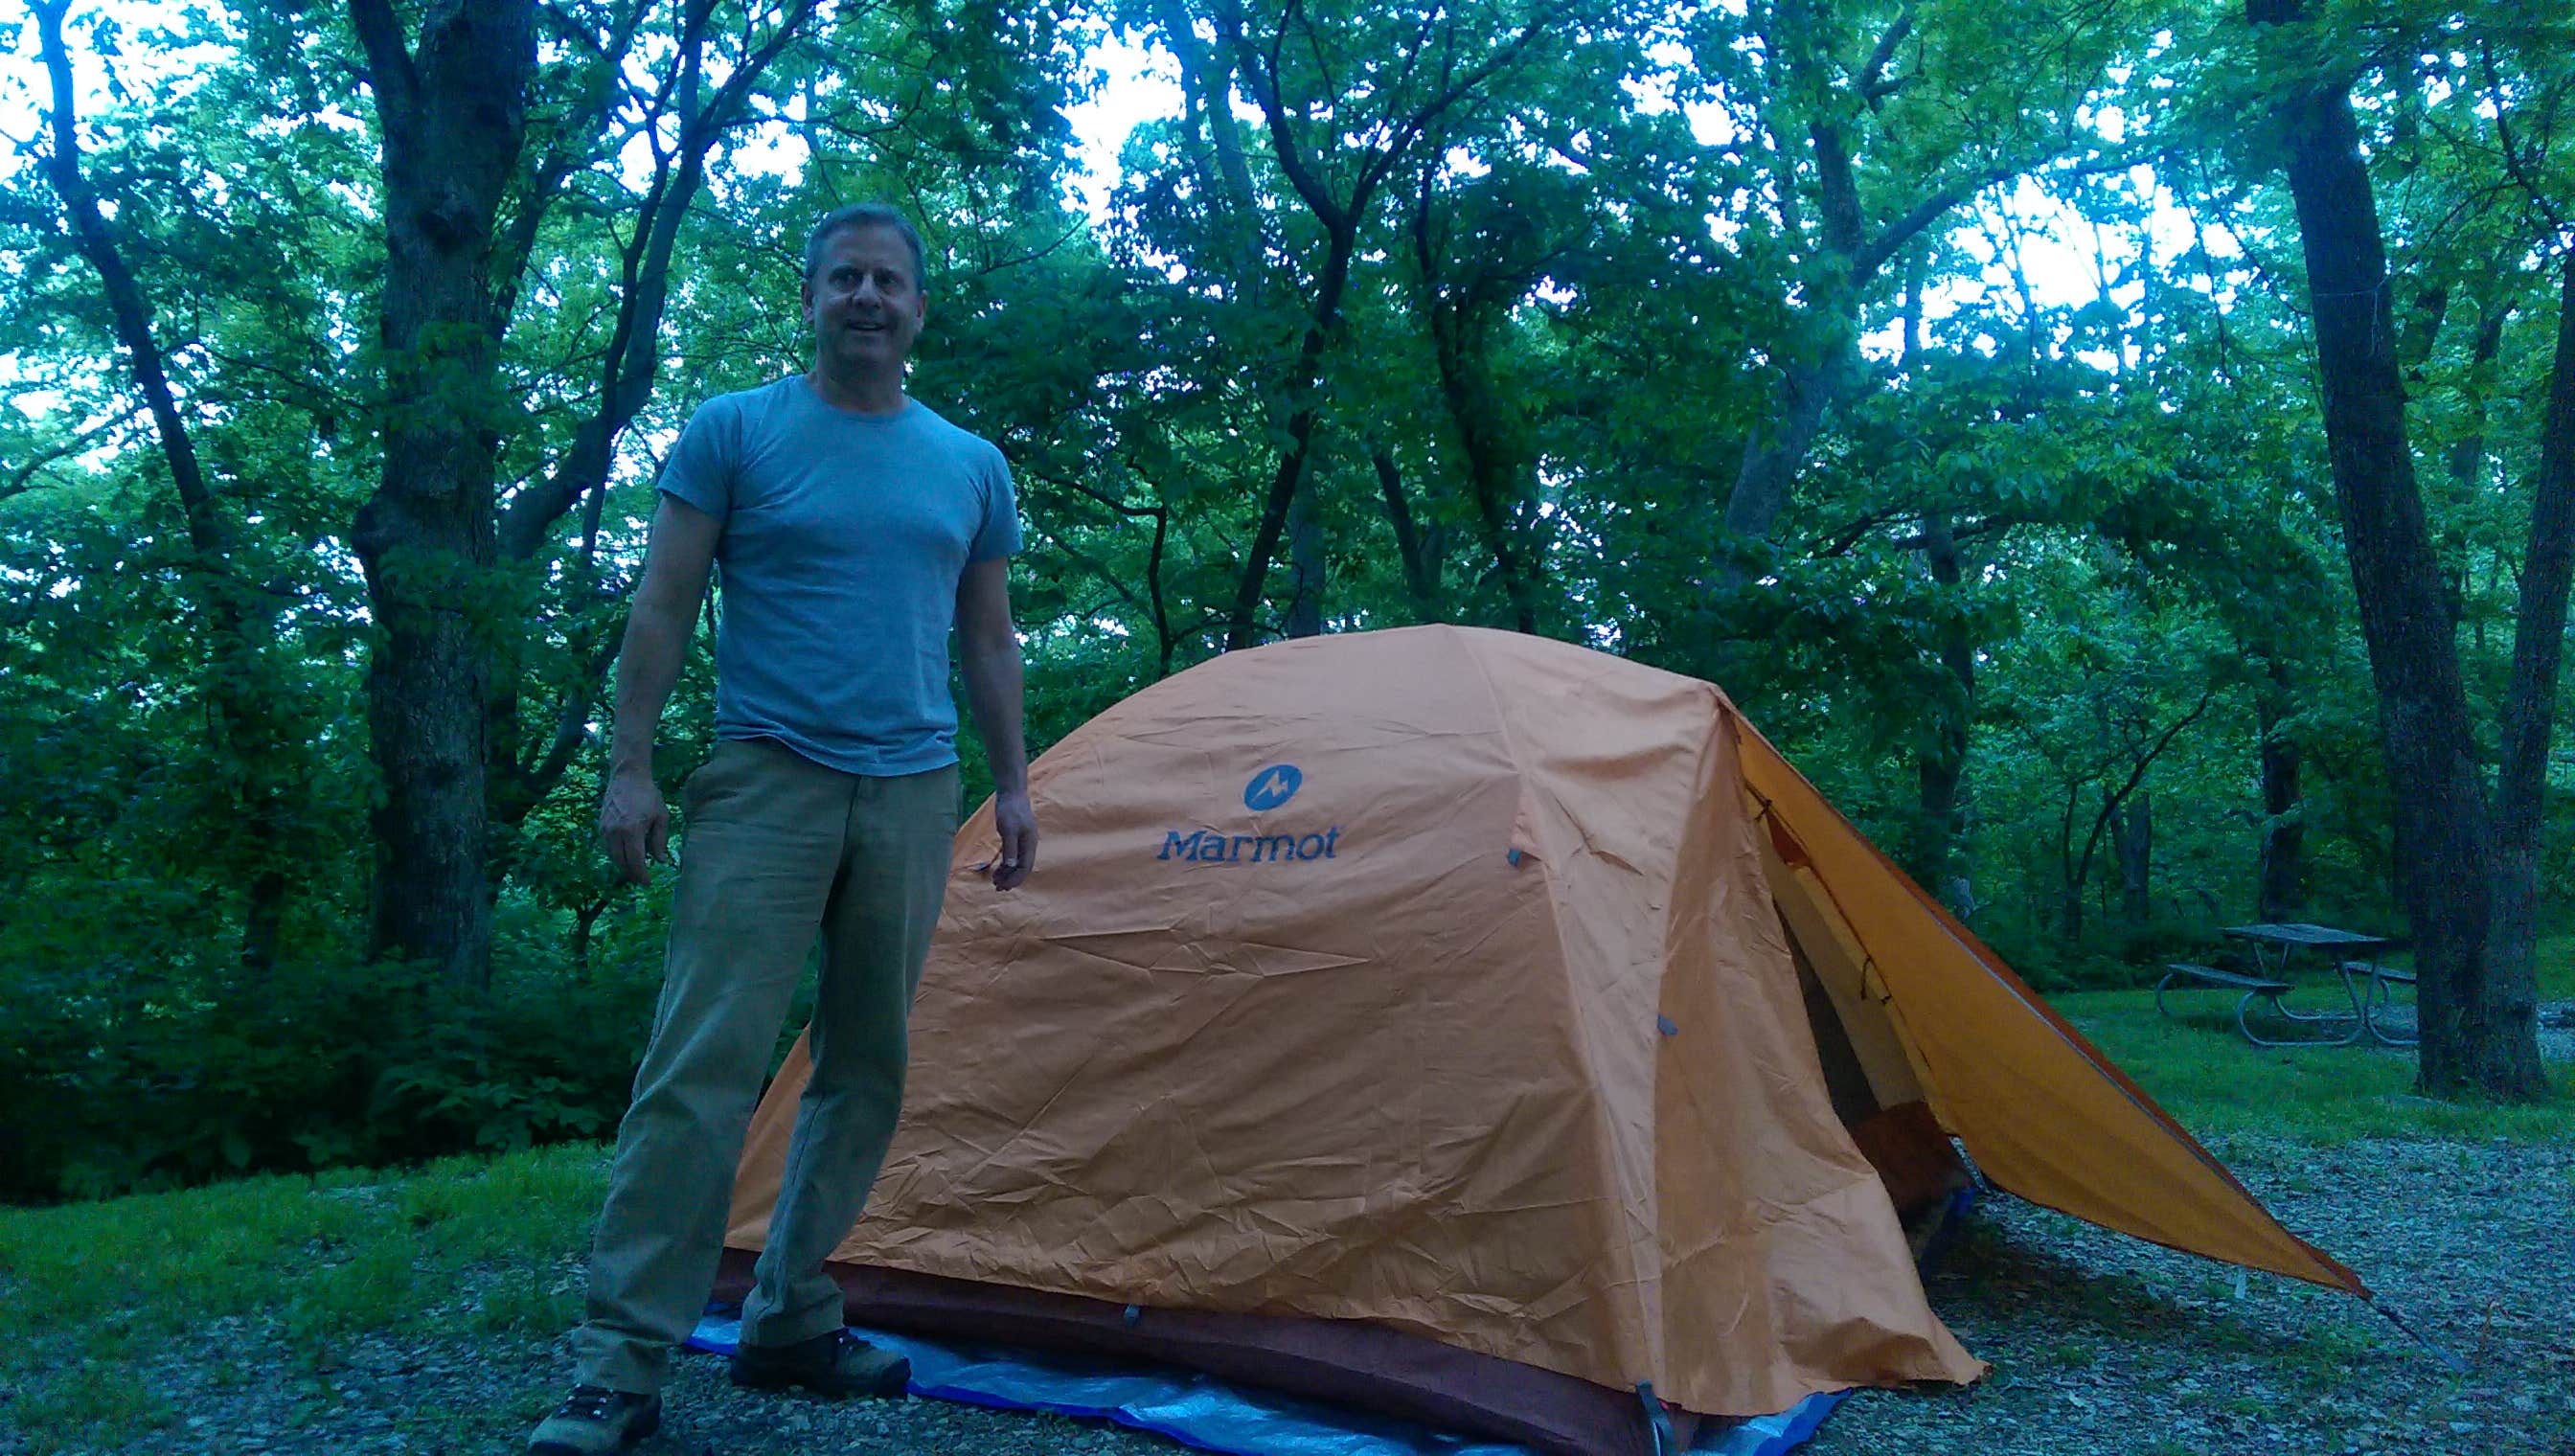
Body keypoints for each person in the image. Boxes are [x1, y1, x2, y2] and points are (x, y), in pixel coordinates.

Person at [529, 202, 1037, 1456]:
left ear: (919, 310)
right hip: (765, 783)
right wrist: (629, 768)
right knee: (701, 1066)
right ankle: (618, 1366)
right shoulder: (734, 431)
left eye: (889, 281)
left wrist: (1016, 787)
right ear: (809, 299)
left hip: (914, 792)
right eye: (845, 278)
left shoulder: (969, 464)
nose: (867, 297)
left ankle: (792, 1315)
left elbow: (987, 639)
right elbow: (662, 603)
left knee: (867, 1066)